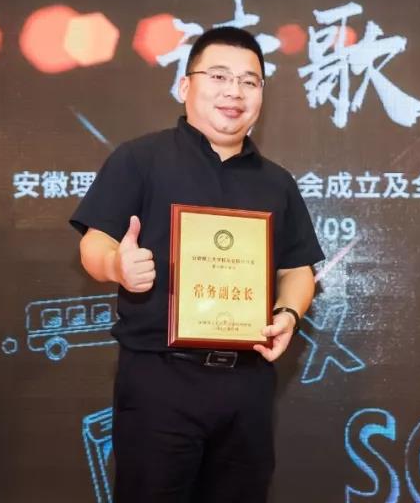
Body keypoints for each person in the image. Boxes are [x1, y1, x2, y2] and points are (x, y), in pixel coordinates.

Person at [70, 26, 323, 502]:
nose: (235, 92)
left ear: (262, 94)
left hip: (247, 383)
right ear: (185, 85)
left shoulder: (277, 183)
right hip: (161, 379)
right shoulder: (139, 159)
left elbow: (297, 270)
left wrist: (288, 314)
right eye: (219, 76)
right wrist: (117, 266)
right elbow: (95, 242)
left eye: (249, 81)